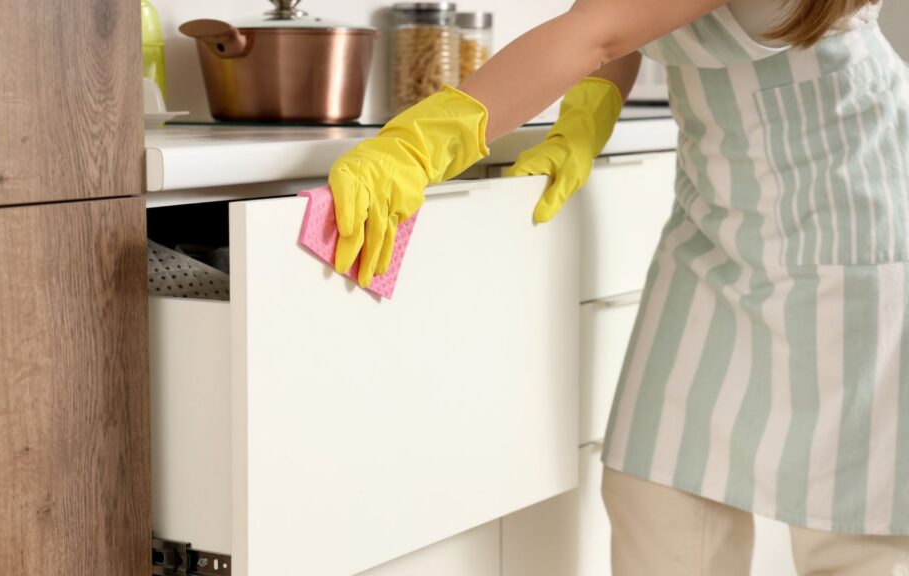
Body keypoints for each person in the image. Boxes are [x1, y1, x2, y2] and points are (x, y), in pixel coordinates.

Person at [328, 0, 909, 573]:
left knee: (846, 525)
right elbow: (619, 24)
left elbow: (598, 33)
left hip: (851, 221)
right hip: (718, 227)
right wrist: (582, 122)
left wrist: (416, 146)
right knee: (657, 488)